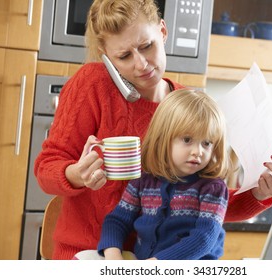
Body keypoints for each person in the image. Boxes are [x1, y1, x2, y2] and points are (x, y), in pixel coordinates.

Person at [34, 0, 272, 260]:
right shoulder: (91, 84)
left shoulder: (186, 106)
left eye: (147, 46)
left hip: (156, 261)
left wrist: (259, 193)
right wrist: (77, 175)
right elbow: (46, 168)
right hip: (88, 253)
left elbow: (202, 205)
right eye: (124, 56)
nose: (141, 64)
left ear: (163, 32)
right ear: (106, 55)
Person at [98, 89, 230, 260]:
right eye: (187, 140)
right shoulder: (143, 181)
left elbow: (203, 239)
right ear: (163, 138)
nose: (198, 152)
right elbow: (117, 220)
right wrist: (113, 255)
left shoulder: (213, 189)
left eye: (206, 143)